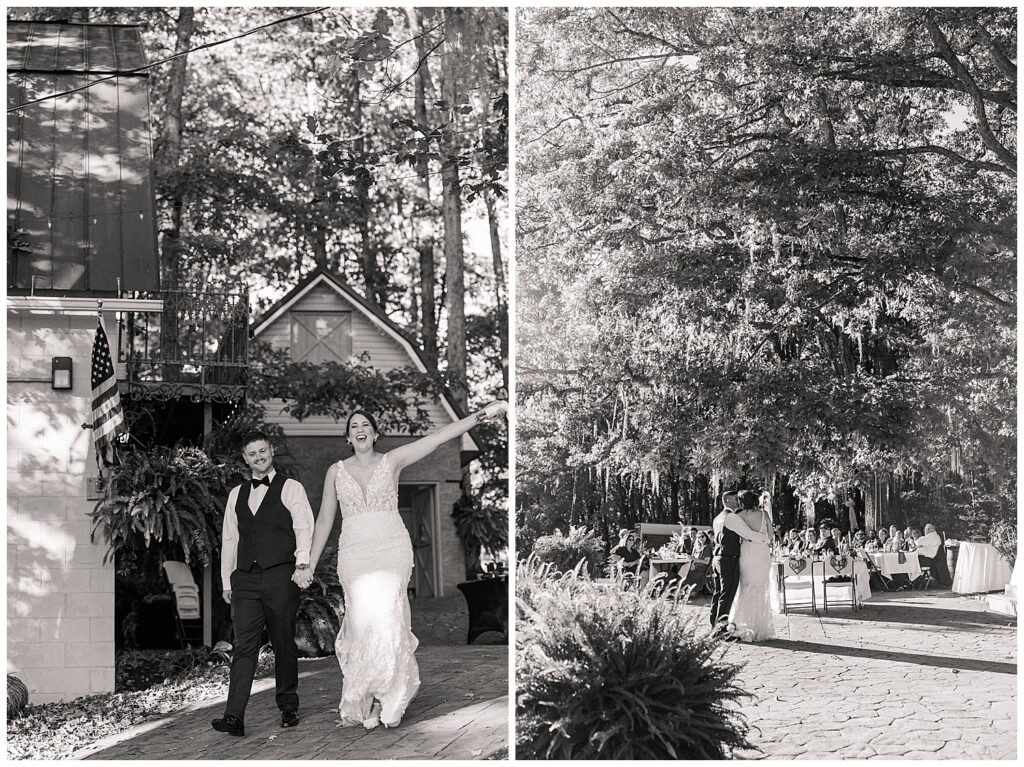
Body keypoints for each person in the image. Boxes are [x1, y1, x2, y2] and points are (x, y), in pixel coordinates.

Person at [302, 401, 507, 729]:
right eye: (354, 427)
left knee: (387, 618)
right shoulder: (335, 472)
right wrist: (308, 564)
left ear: (375, 434)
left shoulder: (392, 461)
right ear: (348, 438)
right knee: (362, 624)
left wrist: (484, 413)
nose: (360, 430)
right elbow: (325, 519)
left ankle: (386, 698)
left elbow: (437, 438)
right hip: (354, 554)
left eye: (366, 425)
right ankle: (368, 695)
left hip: (391, 550)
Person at [212, 431, 315, 737]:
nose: (258, 457)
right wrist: (226, 580)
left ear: (271, 450)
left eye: (262, 451)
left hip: (281, 576)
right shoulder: (236, 494)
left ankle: (288, 706)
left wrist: (302, 564)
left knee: (283, 641)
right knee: (244, 645)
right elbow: (230, 539)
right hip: (245, 579)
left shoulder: (291, 488)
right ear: (245, 459)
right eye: (252, 454)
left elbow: (304, 528)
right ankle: (234, 716)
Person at [709, 491, 771, 634]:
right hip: (728, 558)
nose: (739, 502)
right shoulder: (731, 517)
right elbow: (748, 534)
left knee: (718, 593)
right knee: (727, 594)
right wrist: (766, 539)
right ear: (729, 501)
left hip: (717, 558)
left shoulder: (718, 518)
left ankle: (714, 624)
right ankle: (721, 629)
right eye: (736, 500)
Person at [727, 490, 775, 642]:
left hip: (746, 551)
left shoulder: (738, 516)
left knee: (746, 586)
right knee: (760, 587)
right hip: (762, 552)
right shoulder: (763, 514)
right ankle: (758, 627)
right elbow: (770, 536)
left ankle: (741, 624)